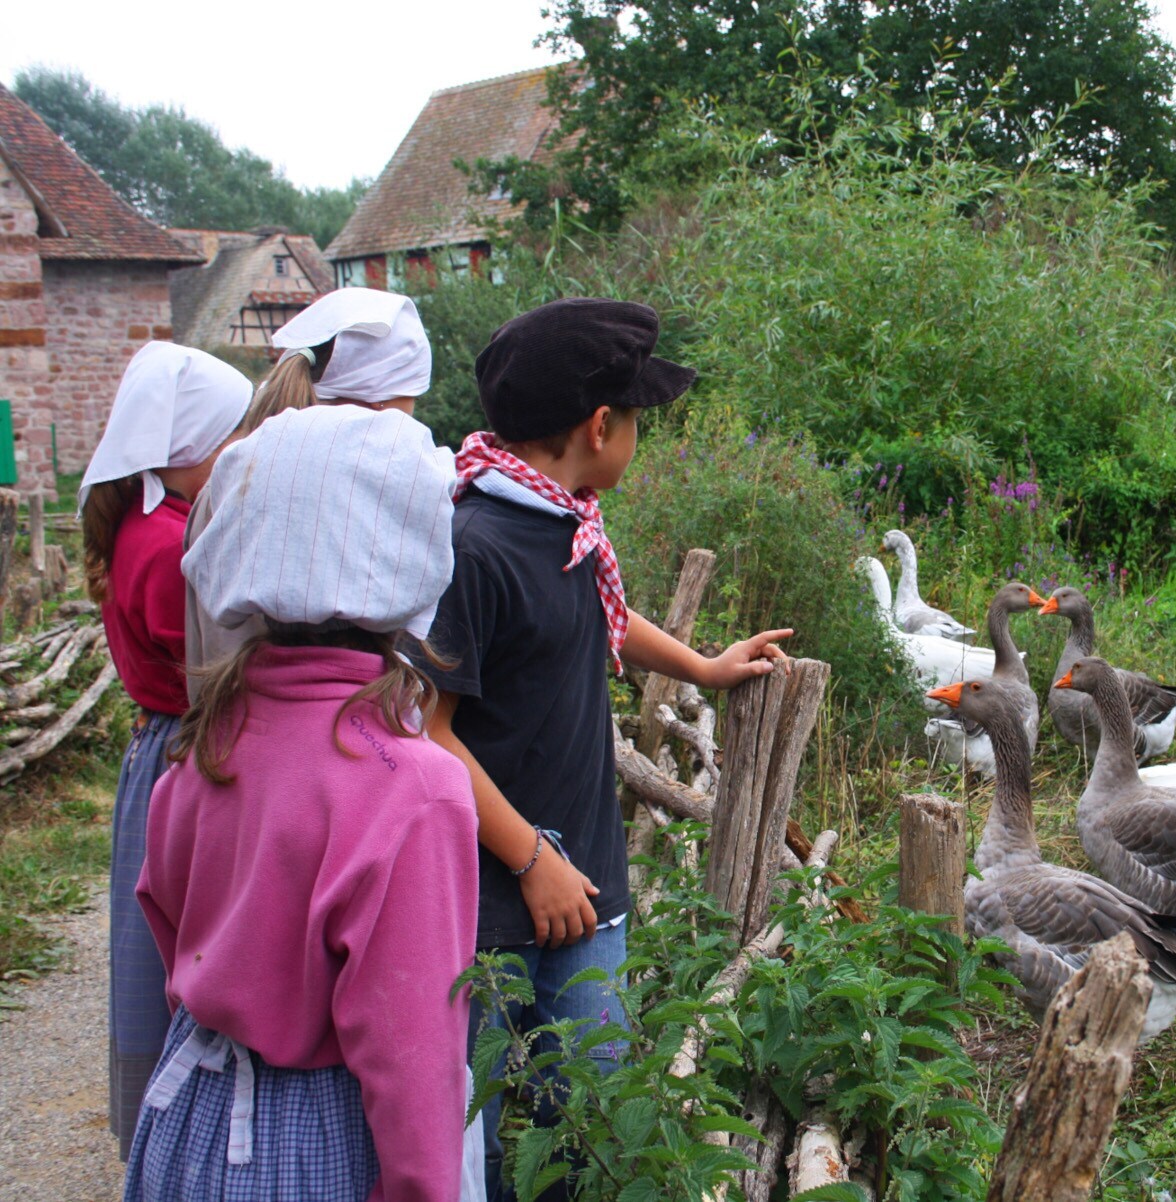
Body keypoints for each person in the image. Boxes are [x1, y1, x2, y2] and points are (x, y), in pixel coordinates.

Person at [421, 298, 791, 1200]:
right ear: (599, 426)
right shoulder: (476, 543)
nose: (637, 438)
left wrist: (704, 668)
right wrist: (530, 858)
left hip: (593, 885)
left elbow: (605, 624)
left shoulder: (566, 524)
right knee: (486, 1126)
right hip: (488, 904)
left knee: (588, 1111)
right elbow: (425, 733)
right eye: (636, 422)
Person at [130, 404, 477, 1201]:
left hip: (188, 1120)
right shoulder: (413, 789)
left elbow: (170, 923)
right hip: (312, 1141)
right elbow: (411, 1051)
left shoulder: (206, 745)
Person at [78, 341, 250, 1159]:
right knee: (182, 952)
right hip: (186, 753)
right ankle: (182, 1138)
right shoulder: (164, 546)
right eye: (227, 441)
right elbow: (221, 659)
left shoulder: (158, 523)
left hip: (170, 746)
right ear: (187, 454)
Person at [184, 287, 433, 701]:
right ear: (381, 406)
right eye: (410, 402)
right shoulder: (362, 497)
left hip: (226, 734)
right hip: (339, 742)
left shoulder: (230, 474)